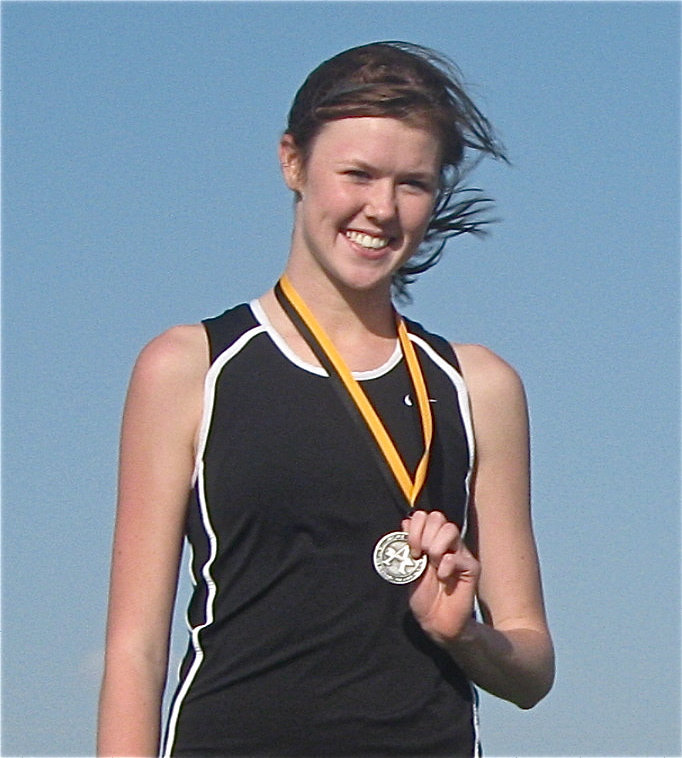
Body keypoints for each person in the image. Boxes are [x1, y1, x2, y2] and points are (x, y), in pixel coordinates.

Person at [97, 41, 554, 758]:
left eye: (413, 183)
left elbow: (531, 667)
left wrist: (464, 633)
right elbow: (134, 652)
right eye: (358, 174)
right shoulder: (190, 368)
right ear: (293, 162)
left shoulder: (479, 387)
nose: (381, 208)